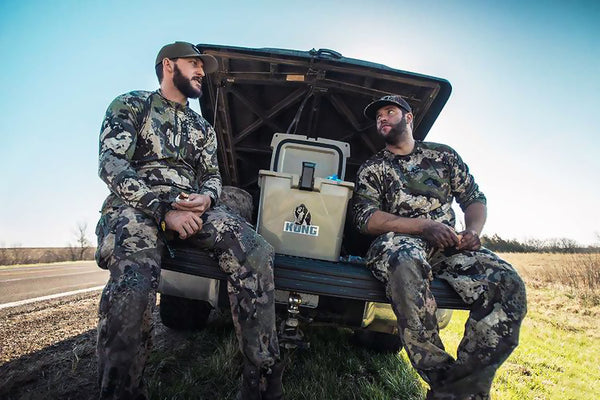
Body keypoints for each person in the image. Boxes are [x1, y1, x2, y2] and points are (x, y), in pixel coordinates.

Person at [95, 41, 283, 400]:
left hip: (194, 208)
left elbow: (212, 174)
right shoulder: (132, 104)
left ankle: (261, 387)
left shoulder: (203, 128)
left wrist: (208, 197)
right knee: (132, 288)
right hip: (136, 205)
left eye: (202, 67)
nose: (201, 72)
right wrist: (164, 210)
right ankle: (121, 391)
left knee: (257, 252)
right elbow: (112, 165)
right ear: (168, 65)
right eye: (194, 64)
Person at [353, 95, 527, 400]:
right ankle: (441, 377)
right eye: (378, 115)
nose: (382, 118)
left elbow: (474, 199)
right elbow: (365, 218)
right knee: (405, 262)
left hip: (449, 247)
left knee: (507, 283)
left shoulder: (444, 156)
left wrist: (472, 231)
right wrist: (423, 226)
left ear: (408, 118)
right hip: (400, 242)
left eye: (389, 112)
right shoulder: (374, 167)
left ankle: (460, 389)